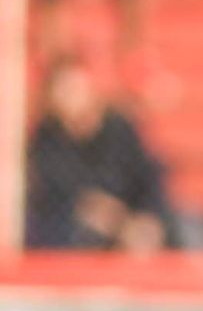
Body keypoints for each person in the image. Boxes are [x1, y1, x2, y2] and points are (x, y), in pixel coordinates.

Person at [25, 56, 173, 252]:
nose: (71, 97)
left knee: (185, 223)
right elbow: (56, 195)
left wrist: (148, 217)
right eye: (64, 90)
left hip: (131, 219)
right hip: (77, 228)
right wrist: (106, 217)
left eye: (76, 88)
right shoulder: (45, 140)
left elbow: (150, 176)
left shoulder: (120, 128)